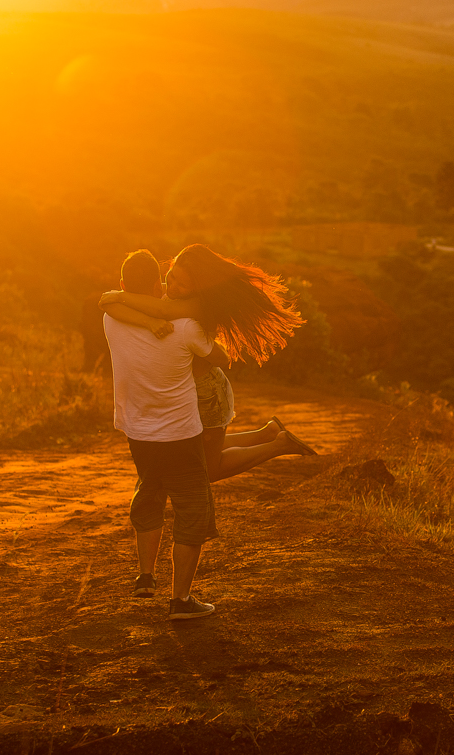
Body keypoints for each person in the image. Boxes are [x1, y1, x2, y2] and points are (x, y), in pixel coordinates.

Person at [99, 244, 317, 482]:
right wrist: (133, 310)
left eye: (181, 284)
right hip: (195, 388)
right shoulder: (172, 292)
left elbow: (158, 309)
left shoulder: (193, 303)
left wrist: (121, 296)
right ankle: (268, 433)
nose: (171, 287)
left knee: (208, 469)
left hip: (208, 392)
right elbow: (107, 304)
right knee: (200, 449)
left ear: (197, 287)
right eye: (170, 277)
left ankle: (279, 445)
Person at [104, 249, 226, 620]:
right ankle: (181, 601)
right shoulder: (187, 326)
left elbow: (115, 299)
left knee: (150, 492)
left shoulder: (112, 318)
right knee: (192, 509)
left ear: (125, 286)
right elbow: (222, 358)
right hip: (180, 434)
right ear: (158, 285)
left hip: (137, 433)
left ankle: (145, 575)